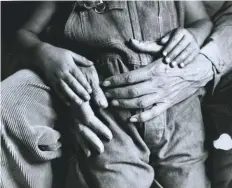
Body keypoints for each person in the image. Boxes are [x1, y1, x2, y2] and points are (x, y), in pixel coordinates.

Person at [1, 1, 232, 188]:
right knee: (116, 179)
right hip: (109, 117)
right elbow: (24, 34)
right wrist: (41, 51)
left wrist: (193, 35)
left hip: (181, 113)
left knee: (189, 179)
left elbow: (202, 21)